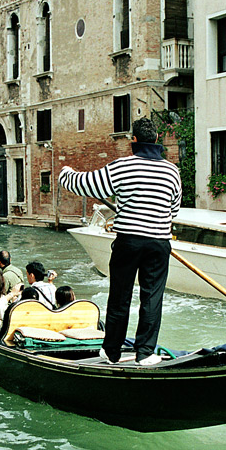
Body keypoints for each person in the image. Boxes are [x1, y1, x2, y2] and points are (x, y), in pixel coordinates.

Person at [59, 117, 181, 366]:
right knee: (152, 298)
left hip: (129, 241)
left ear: (133, 140)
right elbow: (174, 209)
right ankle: (145, 353)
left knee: (120, 296)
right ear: (157, 140)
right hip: (159, 243)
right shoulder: (172, 171)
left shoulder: (122, 166)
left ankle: (112, 352)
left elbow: (85, 185)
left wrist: (65, 173)